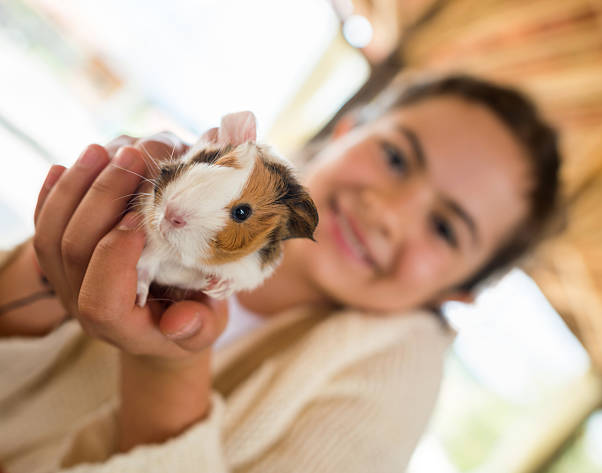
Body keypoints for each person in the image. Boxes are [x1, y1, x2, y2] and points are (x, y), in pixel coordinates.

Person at [0, 74, 560, 472]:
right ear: (346, 131)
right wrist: (46, 271)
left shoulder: (395, 376)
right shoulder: (208, 170)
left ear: (455, 293)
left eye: (444, 229)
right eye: (395, 157)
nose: (387, 211)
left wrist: (169, 370)